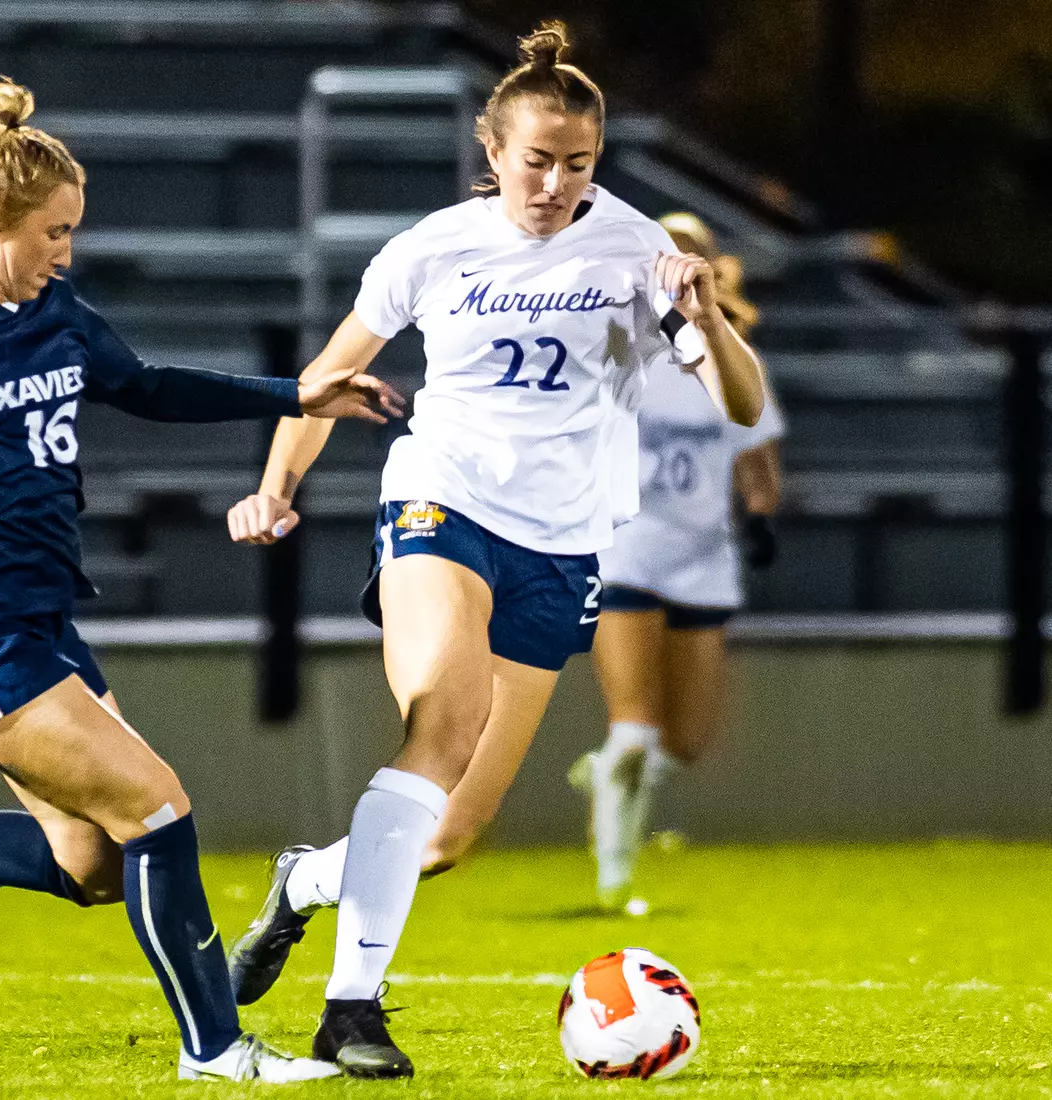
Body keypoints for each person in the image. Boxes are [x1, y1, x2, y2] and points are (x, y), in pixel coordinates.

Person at [225, 21, 764, 1080]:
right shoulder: (430, 248)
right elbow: (333, 370)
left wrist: (706, 313)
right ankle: (350, 1009)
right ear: (492, 149)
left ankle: (302, 883)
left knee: (445, 837)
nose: (555, 183)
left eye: (578, 164)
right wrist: (274, 483)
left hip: (562, 546)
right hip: (443, 498)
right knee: (442, 718)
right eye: (536, 160)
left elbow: (737, 403)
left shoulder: (635, 251)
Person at [0, 77, 402, 1083]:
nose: (67, 252)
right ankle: (219, 1048)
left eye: (73, 231)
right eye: (54, 232)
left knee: (97, 862)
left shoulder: (55, 314)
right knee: (158, 805)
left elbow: (148, 385)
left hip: (42, 618)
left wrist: (293, 390)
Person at [571, 211, 784, 911]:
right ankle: (614, 878)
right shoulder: (616, 341)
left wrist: (759, 514)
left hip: (702, 556)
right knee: (633, 727)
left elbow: (758, 461)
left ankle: (609, 776)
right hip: (628, 548)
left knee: (685, 742)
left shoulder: (731, 355)